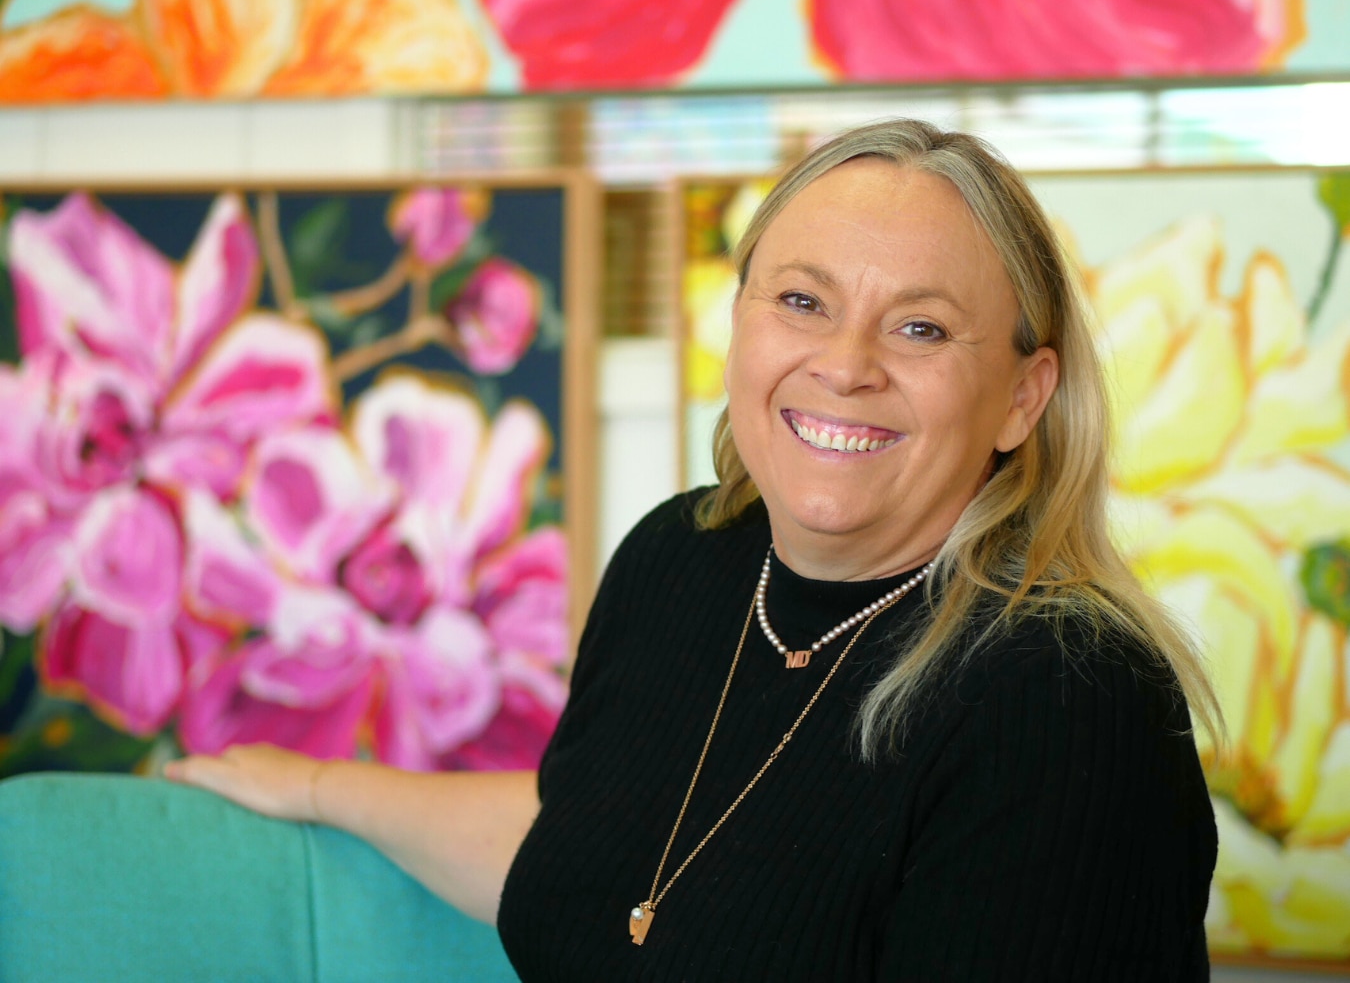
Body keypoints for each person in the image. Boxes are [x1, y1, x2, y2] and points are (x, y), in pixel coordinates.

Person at [166, 118, 1221, 981]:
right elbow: (594, 847)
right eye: (802, 302)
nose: (845, 365)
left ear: (1022, 397)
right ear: (742, 325)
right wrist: (318, 789)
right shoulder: (683, 559)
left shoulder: (1073, 700)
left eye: (921, 329)